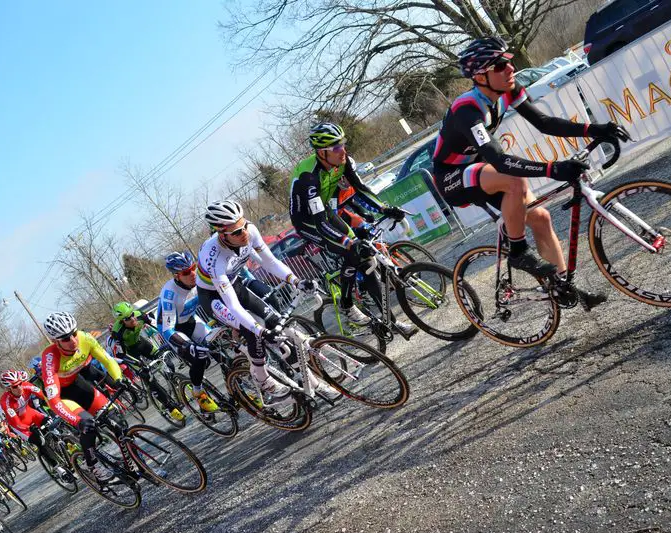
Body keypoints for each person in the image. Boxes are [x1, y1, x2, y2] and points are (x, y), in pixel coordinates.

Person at [432, 36, 631, 309]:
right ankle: (517, 252)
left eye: (509, 62)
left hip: (481, 169)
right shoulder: (466, 109)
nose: (510, 69)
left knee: (540, 217)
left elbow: (544, 122)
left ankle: (564, 287)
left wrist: (594, 129)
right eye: (500, 65)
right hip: (452, 176)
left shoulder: (507, 90)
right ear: (480, 76)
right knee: (512, 177)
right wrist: (553, 169)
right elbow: (500, 160)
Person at [196, 199, 337, 402]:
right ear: (221, 234)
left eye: (243, 225)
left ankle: (314, 385)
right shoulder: (213, 256)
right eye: (236, 232)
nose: (244, 233)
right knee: (252, 333)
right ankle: (262, 379)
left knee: (276, 328)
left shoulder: (250, 231)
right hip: (213, 297)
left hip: (235, 283)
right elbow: (233, 305)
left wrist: (296, 281)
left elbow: (270, 262)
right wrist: (258, 329)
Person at [289, 122, 416, 334]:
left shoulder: (342, 161)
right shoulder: (308, 178)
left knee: (366, 260)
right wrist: (349, 242)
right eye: (336, 148)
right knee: (351, 250)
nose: (343, 151)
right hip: (307, 222)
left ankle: (390, 323)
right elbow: (320, 224)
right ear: (322, 152)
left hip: (326, 212)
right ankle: (347, 306)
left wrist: (385, 208)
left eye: (343, 145)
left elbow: (360, 189)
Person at [39, 311, 124, 482]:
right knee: (87, 424)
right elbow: (54, 400)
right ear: (55, 342)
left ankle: (135, 460)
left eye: (73, 333)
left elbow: (107, 360)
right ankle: (91, 464)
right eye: (65, 339)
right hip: (62, 397)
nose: (73, 341)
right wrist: (78, 421)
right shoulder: (50, 357)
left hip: (78, 384)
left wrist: (119, 379)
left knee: (117, 419)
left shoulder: (85, 338)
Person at [154, 251, 218, 413]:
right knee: (199, 357)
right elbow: (168, 328)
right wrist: (187, 345)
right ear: (176, 276)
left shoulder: (200, 279)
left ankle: (236, 385)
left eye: (193, 268)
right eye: (185, 272)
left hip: (190, 320)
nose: (192, 274)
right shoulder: (169, 293)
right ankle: (198, 393)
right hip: (173, 330)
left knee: (217, 347)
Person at [107, 301, 186, 422]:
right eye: (128, 318)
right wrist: (137, 363)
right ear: (122, 321)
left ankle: (174, 383)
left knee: (167, 362)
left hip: (142, 343)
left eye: (132, 314)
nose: (133, 318)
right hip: (130, 353)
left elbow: (158, 327)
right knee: (149, 379)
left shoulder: (140, 315)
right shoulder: (118, 332)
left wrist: (171, 339)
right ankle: (170, 407)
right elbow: (121, 354)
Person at [0, 369, 67, 476]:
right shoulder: (5, 402)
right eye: (15, 386)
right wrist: (28, 428)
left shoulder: (27, 385)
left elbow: (44, 396)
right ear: (8, 389)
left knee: (52, 426)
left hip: (31, 414)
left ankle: (64, 448)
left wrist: (57, 406)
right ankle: (58, 469)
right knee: (40, 442)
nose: (20, 387)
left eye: (20, 383)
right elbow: (16, 422)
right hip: (20, 424)